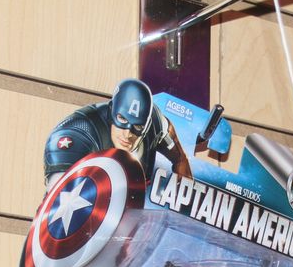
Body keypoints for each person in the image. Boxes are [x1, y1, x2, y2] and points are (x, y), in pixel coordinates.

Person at [43, 78, 193, 186]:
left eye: (137, 126)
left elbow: (180, 161)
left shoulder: (157, 124)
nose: (128, 134)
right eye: (122, 119)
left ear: (146, 126)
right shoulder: (80, 130)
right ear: (111, 112)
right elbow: (58, 203)